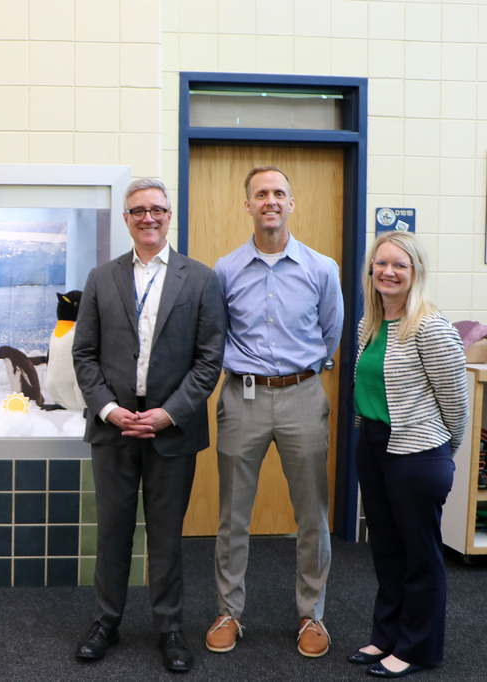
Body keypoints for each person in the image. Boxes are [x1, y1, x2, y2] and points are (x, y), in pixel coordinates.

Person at [72, 178, 226, 672]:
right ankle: (105, 623)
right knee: (113, 533)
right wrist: (110, 410)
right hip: (113, 427)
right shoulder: (101, 278)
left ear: (169, 216)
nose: (148, 217)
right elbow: (84, 355)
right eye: (138, 210)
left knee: (166, 537)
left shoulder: (200, 279)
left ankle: (171, 629)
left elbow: (208, 360)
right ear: (126, 219)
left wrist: (167, 413)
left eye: (157, 209)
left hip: (171, 429)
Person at [208, 166, 343, 658]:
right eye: (261, 193)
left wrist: (301, 375)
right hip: (241, 396)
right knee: (232, 517)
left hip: (303, 395)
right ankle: (229, 612)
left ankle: (312, 616)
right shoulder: (224, 270)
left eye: (279, 193)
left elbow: (331, 335)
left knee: (312, 515)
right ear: (248, 205)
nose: (270, 200)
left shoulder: (321, 268)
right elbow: (216, 335)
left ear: (292, 204)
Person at [349, 231, 467, 678]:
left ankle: (417, 648)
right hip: (375, 447)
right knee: (387, 550)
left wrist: (442, 453)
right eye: (381, 264)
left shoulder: (430, 326)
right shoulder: (371, 324)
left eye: (399, 264)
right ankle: (387, 636)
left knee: (420, 555)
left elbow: (456, 402)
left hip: (417, 452)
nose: (388, 272)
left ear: (415, 271)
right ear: (371, 271)